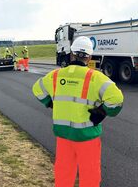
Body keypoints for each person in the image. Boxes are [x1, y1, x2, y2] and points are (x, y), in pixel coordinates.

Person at [32, 36, 124, 187]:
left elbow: (37, 89)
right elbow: (117, 100)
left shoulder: (55, 75)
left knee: (63, 172)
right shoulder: (96, 78)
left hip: (63, 135)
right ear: (89, 57)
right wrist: (103, 111)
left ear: (71, 54)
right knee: (90, 175)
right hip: (87, 136)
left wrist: (51, 104)